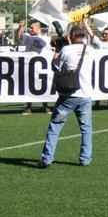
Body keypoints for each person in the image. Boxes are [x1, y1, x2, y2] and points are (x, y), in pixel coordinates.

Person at [38, 25, 93, 168]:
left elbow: (56, 67)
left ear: (71, 36)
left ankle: (47, 158)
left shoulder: (66, 49)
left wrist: (57, 51)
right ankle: (85, 158)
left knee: (55, 126)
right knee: (86, 128)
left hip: (68, 95)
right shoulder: (90, 50)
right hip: (85, 94)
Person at [16, 21, 51, 115]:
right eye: (30, 28)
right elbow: (19, 36)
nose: (30, 29)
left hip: (41, 66)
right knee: (29, 85)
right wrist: (20, 27)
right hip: (30, 66)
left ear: (38, 29)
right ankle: (28, 107)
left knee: (43, 85)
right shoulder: (28, 36)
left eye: (32, 28)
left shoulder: (45, 38)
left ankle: (45, 105)